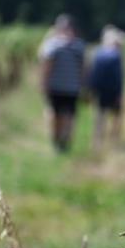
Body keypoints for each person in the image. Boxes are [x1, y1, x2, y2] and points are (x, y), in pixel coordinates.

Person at [40, 14, 85, 152]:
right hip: (67, 87)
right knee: (65, 116)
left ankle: (60, 140)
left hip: (61, 87)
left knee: (60, 115)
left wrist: (43, 84)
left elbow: (45, 65)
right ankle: (63, 140)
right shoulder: (78, 46)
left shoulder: (52, 45)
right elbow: (83, 69)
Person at [89, 25, 125, 149]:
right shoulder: (117, 56)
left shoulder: (98, 53)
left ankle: (97, 140)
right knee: (117, 116)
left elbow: (92, 72)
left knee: (100, 115)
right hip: (114, 90)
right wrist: (120, 93)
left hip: (101, 90)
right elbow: (119, 77)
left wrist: (91, 89)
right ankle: (114, 140)